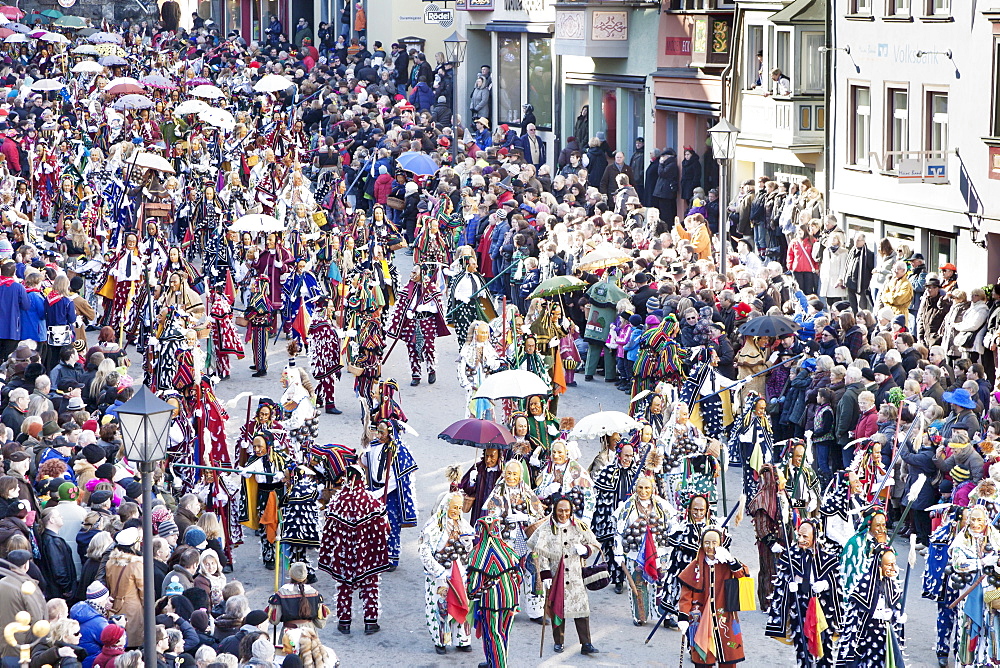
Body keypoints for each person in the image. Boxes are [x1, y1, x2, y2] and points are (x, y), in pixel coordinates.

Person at [318, 466, 390, 636]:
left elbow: (328, 528)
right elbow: (385, 528)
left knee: (343, 587)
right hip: (367, 556)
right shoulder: (371, 501)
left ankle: (344, 623)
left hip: (344, 555)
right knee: (370, 586)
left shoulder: (337, 502)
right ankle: (370, 623)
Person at [528, 496, 601, 655]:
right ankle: (558, 642)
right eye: (560, 511)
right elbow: (540, 553)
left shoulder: (579, 526)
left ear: (571, 511)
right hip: (555, 575)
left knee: (581, 609)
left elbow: (595, 544)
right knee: (557, 608)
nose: (563, 514)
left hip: (575, 576)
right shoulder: (546, 528)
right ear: (555, 511)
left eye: (566, 511)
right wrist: (545, 575)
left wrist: (586, 549)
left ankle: (586, 643)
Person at [764, 518, 843, 666]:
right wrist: (790, 584)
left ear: (815, 536)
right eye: (799, 535)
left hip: (823, 613)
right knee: (802, 649)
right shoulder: (790, 555)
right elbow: (781, 583)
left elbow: (838, 584)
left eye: (805, 536)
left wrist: (826, 584)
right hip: (800, 609)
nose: (800, 539)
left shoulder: (828, 556)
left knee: (824, 649)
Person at [677, 528, 750, 667]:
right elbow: (686, 595)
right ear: (702, 544)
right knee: (703, 659)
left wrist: (731, 560)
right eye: (707, 543)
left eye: (714, 543)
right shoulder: (695, 566)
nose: (710, 547)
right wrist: (683, 616)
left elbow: (744, 575)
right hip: (700, 619)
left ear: (720, 544)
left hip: (725, 617)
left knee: (728, 657)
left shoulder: (727, 563)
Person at [417, 490, 474, 655]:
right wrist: (439, 571)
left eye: (459, 507)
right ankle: (441, 640)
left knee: (463, 603)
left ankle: (462, 640)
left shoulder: (462, 524)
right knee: (440, 607)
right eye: (453, 507)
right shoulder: (433, 526)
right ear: (445, 507)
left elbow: (469, 550)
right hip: (439, 575)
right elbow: (424, 551)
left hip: (459, 573)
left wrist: (467, 543)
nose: (457, 511)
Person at [837, 546, 906, 668]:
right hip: (868, 639)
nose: (893, 568)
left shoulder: (890, 583)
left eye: (894, 564)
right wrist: (878, 614)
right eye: (889, 565)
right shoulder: (865, 584)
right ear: (879, 566)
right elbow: (857, 616)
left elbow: (895, 605)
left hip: (887, 637)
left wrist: (898, 616)